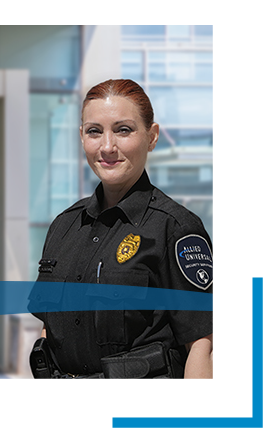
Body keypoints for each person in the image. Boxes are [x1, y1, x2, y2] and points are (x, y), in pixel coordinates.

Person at [30, 79, 212, 379]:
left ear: (151, 137)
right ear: (81, 137)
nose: (107, 147)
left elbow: (203, 345)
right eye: (94, 131)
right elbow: (50, 331)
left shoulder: (176, 229)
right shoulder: (63, 226)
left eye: (123, 130)